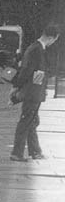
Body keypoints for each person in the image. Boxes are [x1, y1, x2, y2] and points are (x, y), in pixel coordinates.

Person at [11, 23, 60, 162]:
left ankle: (35, 151)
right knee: (26, 121)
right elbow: (27, 72)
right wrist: (16, 87)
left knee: (32, 121)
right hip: (32, 92)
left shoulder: (36, 48)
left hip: (35, 92)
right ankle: (16, 153)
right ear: (52, 37)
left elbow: (33, 72)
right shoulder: (37, 50)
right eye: (55, 40)